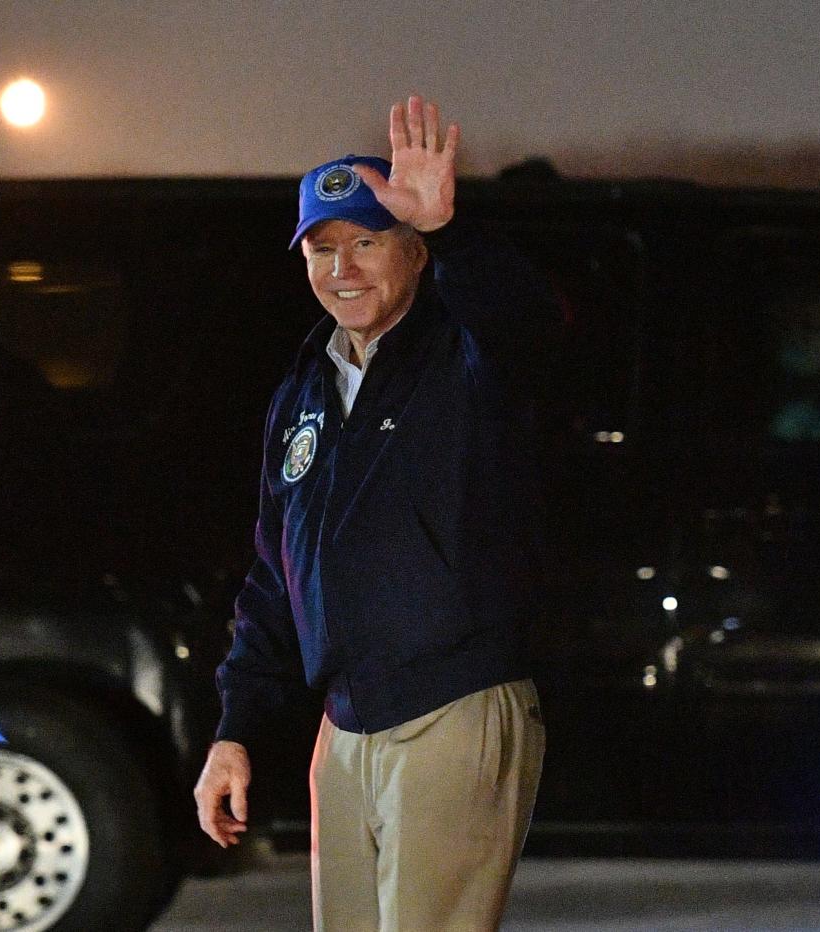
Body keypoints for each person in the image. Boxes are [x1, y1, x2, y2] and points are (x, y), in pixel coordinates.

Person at [194, 95, 554, 931]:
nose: (342, 268)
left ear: (416, 254)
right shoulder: (303, 391)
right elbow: (274, 577)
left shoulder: (464, 359)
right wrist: (235, 728)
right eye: (322, 249)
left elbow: (530, 326)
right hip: (345, 727)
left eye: (367, 241)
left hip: (453, 705)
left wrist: (452, 229)